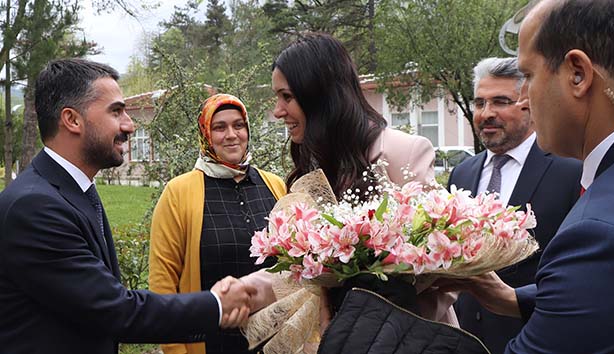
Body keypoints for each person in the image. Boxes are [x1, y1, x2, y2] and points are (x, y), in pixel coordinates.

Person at [0, 59, 257, 354]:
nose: (130, 125)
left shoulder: (73, 191)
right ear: (72, 120)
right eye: (116, 111)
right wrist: (217, 305)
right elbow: (114, 310)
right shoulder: (34, 207)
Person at [439, 0, 614, 352]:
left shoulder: (601, 232)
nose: (524, 100)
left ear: (578, 74)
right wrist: (515, 299)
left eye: (528, 76)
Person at [271, 32, 456, 325]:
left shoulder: (404, 152)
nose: (277, 111)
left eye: (287, 97)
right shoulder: (310, 168)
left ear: (320, 96)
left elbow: (445, 265)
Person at [448, 57, 581, 353]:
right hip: (464, 339)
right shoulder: (462, 173)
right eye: (480, 103)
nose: (486, 114)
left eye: (501, 101)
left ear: (530, 104)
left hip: (533, 338)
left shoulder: (570, 170)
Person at [149, 93, 286, 354]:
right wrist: (175, 349)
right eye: (219, 127)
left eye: (238, 125)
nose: (231, 135)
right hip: (211, 342)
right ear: (205, 134)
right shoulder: (179, 193)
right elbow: (162, 282)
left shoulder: (275, 185)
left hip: (274, 340)